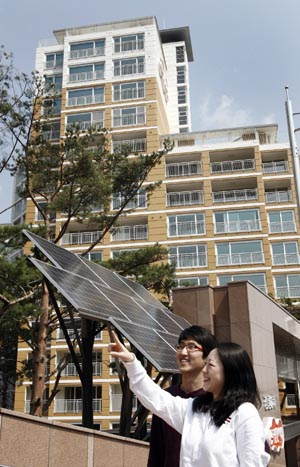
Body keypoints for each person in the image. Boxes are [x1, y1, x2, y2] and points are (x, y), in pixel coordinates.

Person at [109, 332, 270, 467]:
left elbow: (252, 463)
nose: (204, 371)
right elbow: (155, 397)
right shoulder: (194, 408)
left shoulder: (244, 413)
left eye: (210, 366)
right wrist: (131, 362)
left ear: (230, 371)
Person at [148, 325, 217, 467]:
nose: (183, 352)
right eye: (180, 346)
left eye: (192, 347)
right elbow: (157, 451)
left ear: (208, 357)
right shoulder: (167, 397)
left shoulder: (218, 398)